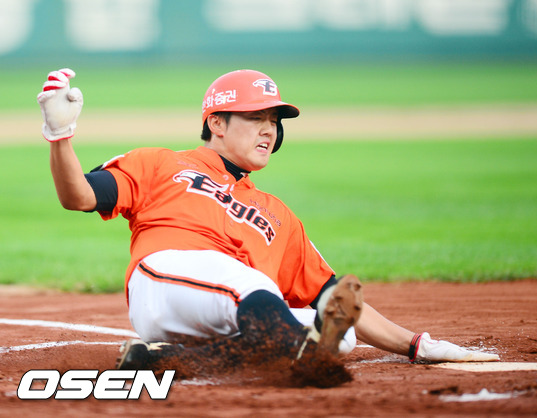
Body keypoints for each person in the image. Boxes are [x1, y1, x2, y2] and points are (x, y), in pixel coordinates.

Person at [37, 68, 499, 386]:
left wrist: (417, 345)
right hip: (165, 282)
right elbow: (79, 196)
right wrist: (61, 138)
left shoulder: (278, 215)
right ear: (216, 123)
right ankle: (302, 359)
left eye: (273, 121)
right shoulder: (161, 163)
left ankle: (170, 361)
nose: (269, 130)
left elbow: (336, 300)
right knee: (253, 285)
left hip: (228, 312)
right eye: (255, 117)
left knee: (340, 333)